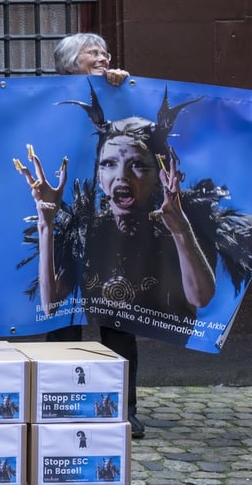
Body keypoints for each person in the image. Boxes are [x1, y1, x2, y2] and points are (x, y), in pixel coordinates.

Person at [17, 80, 224, 442]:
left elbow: (201, 298)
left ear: (160, 174)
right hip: (79, 284)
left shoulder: (168, 228)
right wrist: (47, 227)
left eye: (137, 166)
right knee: (64, 330)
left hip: (142, 276)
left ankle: (123, 408)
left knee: (120, 330)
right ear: (98, 173)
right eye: (109, 164)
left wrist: (179, 230)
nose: (121, 177)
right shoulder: (84, 227)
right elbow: (51, 304)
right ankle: (58, 404)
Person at [46, 32, 139, 437]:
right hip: (68, 220)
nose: (103, 58)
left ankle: (123, 407)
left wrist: (121, 85)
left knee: (118, 319)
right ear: (69, 62)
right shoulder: (48, 99)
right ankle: (56, 402)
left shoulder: (117, 92)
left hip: (113, 224)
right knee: (62, 322)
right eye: (92, 53)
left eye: (106, 52)